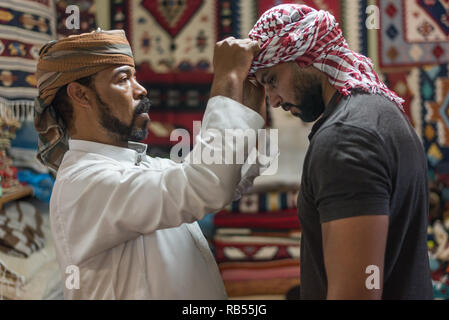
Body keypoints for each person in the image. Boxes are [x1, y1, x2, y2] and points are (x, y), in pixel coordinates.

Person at [34, 29, 267, 299]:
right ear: (80, 95)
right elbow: (206, 184)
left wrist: (249, 98)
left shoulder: (142, 167)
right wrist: (227, 77)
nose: (140, 89)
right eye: (123, 78)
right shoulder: (84, 183)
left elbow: (226, 179)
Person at [247, 4, 433, 299]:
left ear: (305, 57)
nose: (272, 100)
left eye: (271, 79)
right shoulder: (383, 111)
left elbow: (356, 293)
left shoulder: (344, 140)